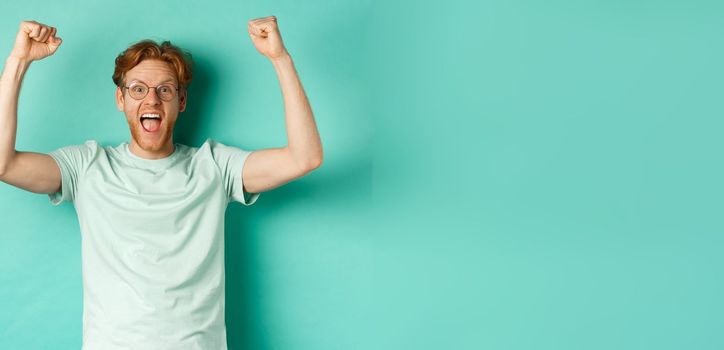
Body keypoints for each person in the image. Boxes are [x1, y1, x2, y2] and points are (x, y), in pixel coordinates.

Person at [0, 17, 322, 349]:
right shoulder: (86, 167)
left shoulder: (214, 166)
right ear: (121, 100)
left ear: (180, 102)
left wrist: (280, 59)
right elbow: (3, 163)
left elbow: (305, 157)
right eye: (138, 89)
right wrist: (18, 61)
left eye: (164, 90)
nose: (152, 100)